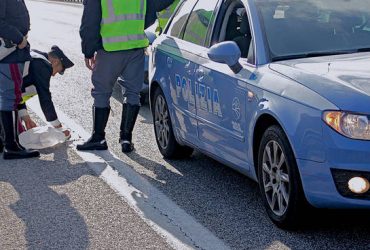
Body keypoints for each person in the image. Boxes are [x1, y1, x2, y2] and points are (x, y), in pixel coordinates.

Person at [78, 0, 175, 153]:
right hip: (135, 47)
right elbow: (151, 10)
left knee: (101, 92)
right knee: (132, 93)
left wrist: (88, 50)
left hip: (109, 48)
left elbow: (90, 21)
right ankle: (126, 139)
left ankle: (98, 138)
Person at [0, 0, 40, 159]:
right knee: (11, 97)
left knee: (6, 96)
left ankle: (6, 142)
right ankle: (12, 145)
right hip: (10, 53)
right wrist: (19, 39)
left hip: (11, 52)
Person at [17, 46, 74, 138]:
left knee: (19, 134)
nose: (54, 75)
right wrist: (58, 127)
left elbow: (18, 89)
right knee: (13, 138)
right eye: (57, 70)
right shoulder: (43, 66)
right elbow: (45, 98)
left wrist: (26, 117)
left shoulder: (35, 56)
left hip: (5, 97)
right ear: (55, 61)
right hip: (3, 100)